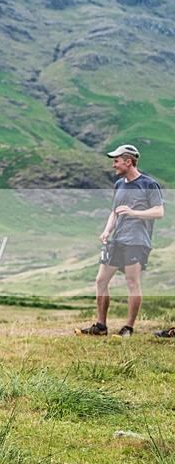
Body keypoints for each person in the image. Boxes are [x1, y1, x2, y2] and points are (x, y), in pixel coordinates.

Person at [75, 144, 164, 337]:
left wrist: (134, 213)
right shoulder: (119, 185)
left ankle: (128, 328)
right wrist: (107, 230)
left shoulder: (149, 184)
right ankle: (100, 327)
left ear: (128, 161)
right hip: (117, 239)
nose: (113, 165)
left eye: (116, 161)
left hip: (137, 240)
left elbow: (159, 212)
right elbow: (115, 212)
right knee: (101, 280)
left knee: (131, 282)